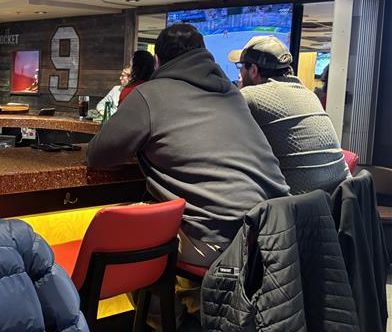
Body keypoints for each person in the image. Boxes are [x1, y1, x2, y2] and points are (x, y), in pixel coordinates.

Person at [87, 23, 289, 267]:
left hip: (218, 240)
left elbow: (98, 155)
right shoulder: (232, 94)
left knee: (111, 234)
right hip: (274, 235)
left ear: (158, 61)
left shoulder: (150, 94)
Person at [229, 36, 349, 194]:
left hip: (295, 204)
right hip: (336, 200)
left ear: (253, 70)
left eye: (241, 66)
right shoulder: (309, 94)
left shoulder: (250, 96)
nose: (239, 72)